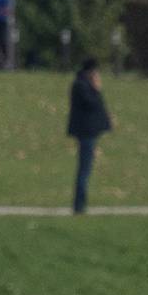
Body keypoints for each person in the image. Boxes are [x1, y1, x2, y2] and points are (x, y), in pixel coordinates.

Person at [66, 58, 112, 215]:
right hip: (86, 132)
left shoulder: (80, 85)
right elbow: (93, 104)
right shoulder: (82, 86)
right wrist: (97, 89)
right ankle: (79, 205)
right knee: (84, 169)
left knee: (85, 168)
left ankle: (80, 204)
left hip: (88, 131)